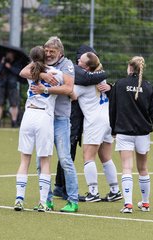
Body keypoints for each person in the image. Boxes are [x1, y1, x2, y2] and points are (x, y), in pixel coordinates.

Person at [20, 36, 79, 213]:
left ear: (60, 52)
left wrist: (46, 89)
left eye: (52, 52)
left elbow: (69, 89)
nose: (48, 54)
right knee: (41, 161)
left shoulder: (67, 65)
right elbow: (23, 72)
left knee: (64, 159)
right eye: (46, 51)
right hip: (42, 118)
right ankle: (46, 199)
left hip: (60, 118)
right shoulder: (41, 64)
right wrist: (43, 74)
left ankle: (73, 200)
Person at [110, 56, 153, 213]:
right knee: (143, 168)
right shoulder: (148, 87)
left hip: (124, 131)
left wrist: (113, 130)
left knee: (126, 168)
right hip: (142, 133)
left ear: (129, 67)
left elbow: (112, 109)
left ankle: (128, 204)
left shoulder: (119, 84)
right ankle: (145, 203)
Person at [54, 45, 109, 200]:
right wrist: (104, 73)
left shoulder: (89, 74)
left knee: (69, 151)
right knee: (69, 152)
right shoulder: (75, 69)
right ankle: (65, 188)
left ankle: (60, 186)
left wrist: (109, 85)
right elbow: (86, 79)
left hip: (81, 118)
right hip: (71, 116)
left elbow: (89, 81)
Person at [14, 46, 63, 212]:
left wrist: (38, 70)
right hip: (44, 116)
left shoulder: (31, 71)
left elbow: (23, 71)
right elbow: (67, 88)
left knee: (24, 159)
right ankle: (43, 202)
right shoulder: (56, 73)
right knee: (45, 161)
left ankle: (19, 199)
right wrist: (43, 74)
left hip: (29, 115)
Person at [71, 52, 122, 203]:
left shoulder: (84, 83)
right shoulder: (101, 77)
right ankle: (114, 190)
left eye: (80, 61)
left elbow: (71, 94)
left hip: (94, 121)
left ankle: (93, 192)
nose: (78, 62)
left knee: (88, 156)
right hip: (107, 119)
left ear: (86, 67)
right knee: (106, 157)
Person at [0, 51, 24, 128]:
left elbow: (19, 72)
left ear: (13, 54)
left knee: (14, 104)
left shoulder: (17, 62)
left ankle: (14, 121)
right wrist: (2, 63)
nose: (8, 55)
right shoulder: (1, 61)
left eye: (10, 54)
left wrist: (10, 67)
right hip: (1, 85)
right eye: (7, 54)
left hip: (12, 85)